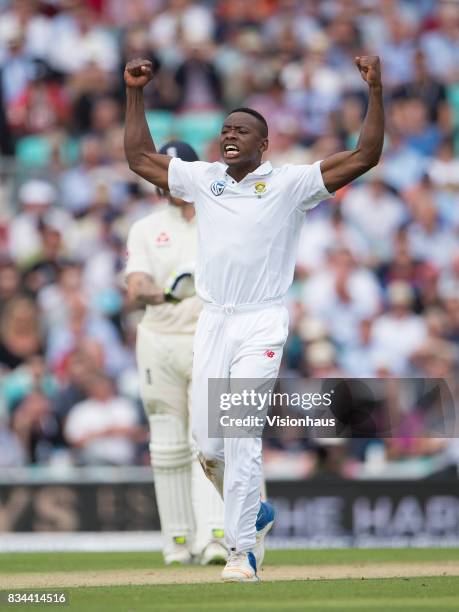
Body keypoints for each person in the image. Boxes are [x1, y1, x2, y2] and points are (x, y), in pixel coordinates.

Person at [124, 54, 384, 582]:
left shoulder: (291, 183)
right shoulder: (202, 180)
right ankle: (256, 517)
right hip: (213, 323)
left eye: (241, 131)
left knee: (240, 433)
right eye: (224, 131)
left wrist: (375, 90)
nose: (229, 137)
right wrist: (134, 93)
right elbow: (137, 157)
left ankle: (240, 550)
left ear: (264, 144)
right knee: (208, 445)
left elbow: (366, 154)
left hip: (261, 322)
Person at [125, 140, 226, 566]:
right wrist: (166, 294)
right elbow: (135, 289)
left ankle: (217, 537)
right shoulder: (146, 228)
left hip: (209, 338)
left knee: (209, 439)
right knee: (167, 443)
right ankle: (178, 543)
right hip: (159, 343)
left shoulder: (220, 219)